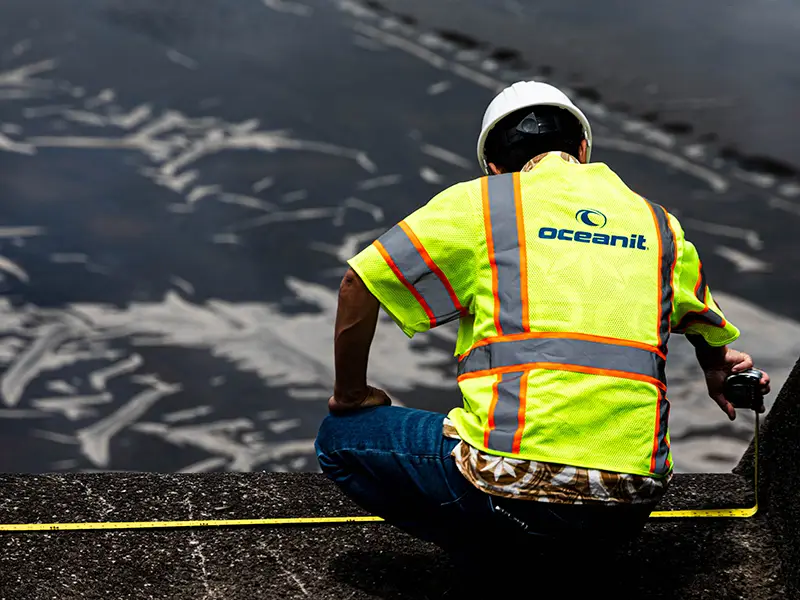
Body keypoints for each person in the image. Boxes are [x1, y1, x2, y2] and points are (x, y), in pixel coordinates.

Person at [314, 81, 771, 569]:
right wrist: (714, 363)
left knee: (338, 440)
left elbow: (359, 283)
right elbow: (701, 316)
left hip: (510, 492)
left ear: (493, 165)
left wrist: (350, 394)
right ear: (582, 149)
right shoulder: (659, 225)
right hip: (631, 503)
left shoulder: (484, 203)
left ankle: (490, 557)